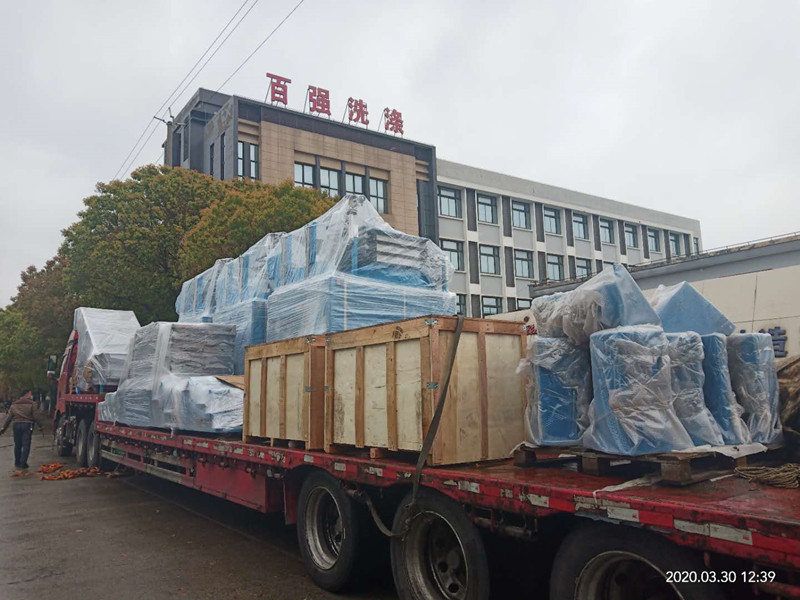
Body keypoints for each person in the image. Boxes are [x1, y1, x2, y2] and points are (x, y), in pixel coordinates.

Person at [0, 390, 44, 470]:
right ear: (26, 394)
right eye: (30, 394)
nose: (31, 395)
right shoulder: (32, 404)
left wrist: (3, 429)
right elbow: (36, 416)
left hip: (16, 425)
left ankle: (17, 462)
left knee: (17, 444)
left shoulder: (14, 404)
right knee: (26, 444)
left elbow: (9, 418)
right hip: (27, 425)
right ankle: (23, 463)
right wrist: (40, 426)